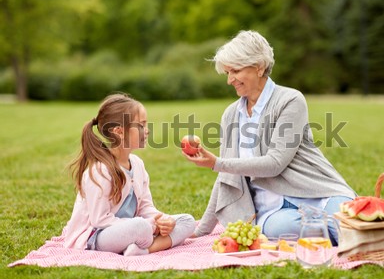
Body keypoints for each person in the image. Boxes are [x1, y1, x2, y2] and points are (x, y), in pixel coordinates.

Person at [184, 30, 356, 245]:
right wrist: (202, 230)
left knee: (345, 221)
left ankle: (340, 231)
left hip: (318, 193)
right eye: (227, 73)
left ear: (259, 67)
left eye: (235, 71)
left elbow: (275, 163)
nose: (229, 80)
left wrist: (216, 163)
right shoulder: (231, 115)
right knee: (280, 229)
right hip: (274, 211)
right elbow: (227, 177)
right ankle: (345, 235)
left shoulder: (290, 100)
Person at [64, 93, 195, 256]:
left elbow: (146, 207)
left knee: (187, 221)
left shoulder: (137, 165)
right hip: (97, 237)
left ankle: (142, 250)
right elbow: (100, 220)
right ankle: (145, 243)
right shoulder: (100, 170)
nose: (147, 131)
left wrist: (162, 220)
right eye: (141, 125)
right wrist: (150, 225)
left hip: (136, 229)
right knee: (141, 227)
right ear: (119, 131)